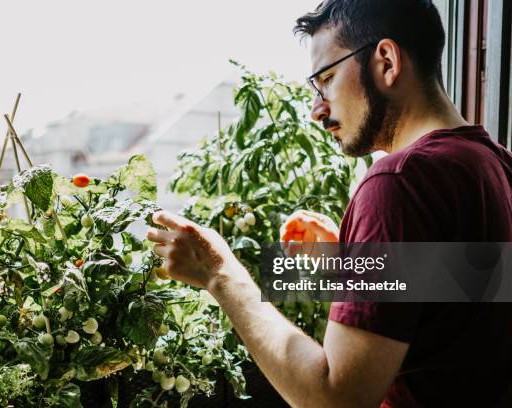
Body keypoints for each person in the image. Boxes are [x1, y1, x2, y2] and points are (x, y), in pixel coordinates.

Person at [147, 0, 512, 406]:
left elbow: (335, 399)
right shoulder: (494, 164)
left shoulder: (398, 183)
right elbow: (468, 306)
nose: (316, 109)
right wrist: (348, 262)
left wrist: (219, 272)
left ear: (387, 61)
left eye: (327, 79)